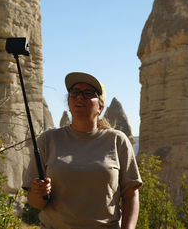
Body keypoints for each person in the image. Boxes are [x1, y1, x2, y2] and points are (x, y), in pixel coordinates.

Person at [23, 72, 143, 229]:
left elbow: (131, 194)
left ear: (100, 107)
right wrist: (38, 193)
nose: (80, 97)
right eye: (75, 92)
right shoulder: (48, 140)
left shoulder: (117, 140)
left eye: (88, 93)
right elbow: (35, 203)